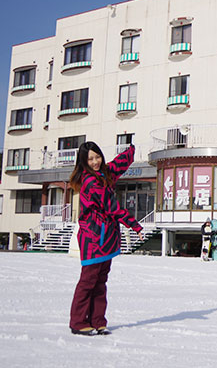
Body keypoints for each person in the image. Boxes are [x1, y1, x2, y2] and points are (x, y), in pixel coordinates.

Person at [68, 142, 143, 336]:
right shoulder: (91, 181)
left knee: (101, 280)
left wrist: (132, 150)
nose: (95, 162)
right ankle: (78, 321)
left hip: (106, 236)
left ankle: (98, 321)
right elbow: (112, 207)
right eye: (90, 159)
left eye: (97, 157)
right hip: (93, 237)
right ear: (84, 162)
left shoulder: (103, 174)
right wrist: (134, 225)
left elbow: (117, 165)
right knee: (88, 280)